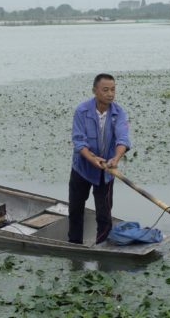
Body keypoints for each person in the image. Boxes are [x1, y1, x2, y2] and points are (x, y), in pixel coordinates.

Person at [68, 73, 131, 244]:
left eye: (113, 89)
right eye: (105, 90)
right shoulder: (82, 110)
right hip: (82, 168)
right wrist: (93, 160)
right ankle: (74, 246)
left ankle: (102, 247)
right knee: (75, 211)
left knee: (104, 215)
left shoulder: (119, 113)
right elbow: (79, 141)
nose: (110, 94)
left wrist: (115, 159)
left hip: (106, 172)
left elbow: (122, 139)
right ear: (95, 91)